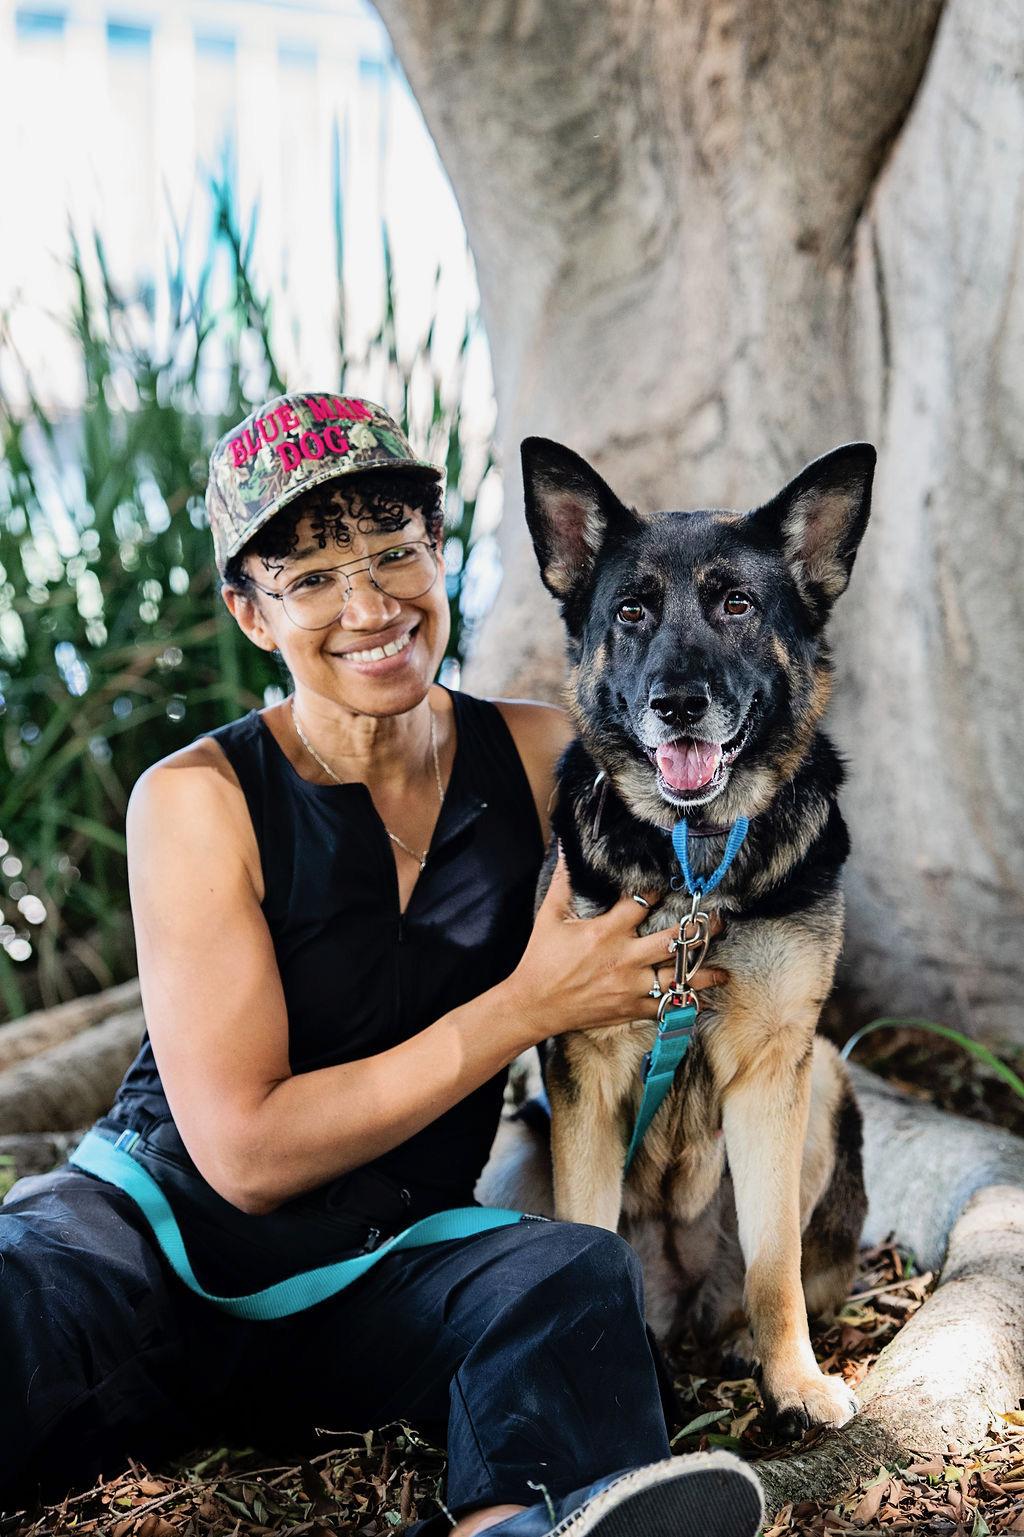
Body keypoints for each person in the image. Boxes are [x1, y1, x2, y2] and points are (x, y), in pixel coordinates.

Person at [0, 395, 764, 1537]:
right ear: (251, 614)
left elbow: (682, 936)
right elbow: (247, 1155)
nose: (369, 605)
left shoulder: (546, 756)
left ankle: (520, 1525)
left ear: (440, 554)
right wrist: (524, 1007)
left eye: (394, 552)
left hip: (380, 1270)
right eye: (309, 578)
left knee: (567, 1279)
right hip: (142, 1243)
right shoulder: (199, 800)